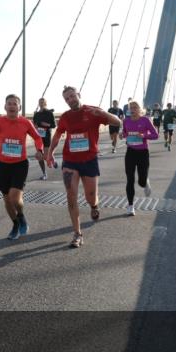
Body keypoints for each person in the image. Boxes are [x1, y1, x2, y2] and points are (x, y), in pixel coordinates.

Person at [44, 86, 122, 248]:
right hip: (70, 161)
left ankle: (94, 206)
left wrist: (103, 114)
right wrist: (50, 152)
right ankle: (77, 233)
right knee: (71, 196)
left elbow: (118, 122)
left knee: (91, 196)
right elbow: (58, 135)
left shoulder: (93, 112)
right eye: (67, 98)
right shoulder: (65, 117)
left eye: (72, 96)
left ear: (78, 95)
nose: (70, 100)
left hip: (89, 160)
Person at [0, 95, 44, 240]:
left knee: (14, 197)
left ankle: (21, 216)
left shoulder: (26, 122)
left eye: (15, 104)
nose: (12, 106)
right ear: (5, 107)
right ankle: (15, 224)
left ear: (19, 107)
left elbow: (38, 137)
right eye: (9, 104)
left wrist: (39, 150)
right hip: (3, 165)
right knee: (7, 199)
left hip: (20, 164)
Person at [121, 101, 158, 215]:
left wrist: (144, 136)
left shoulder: (145, 120)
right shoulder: (126, 121)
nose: (132, 110)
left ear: (139, 109)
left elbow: (156, 135)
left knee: (141, 182)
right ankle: (130, 206)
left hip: (143, 153)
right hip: (130, 152)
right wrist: (122, 135)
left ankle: (145, 182)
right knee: (130, 179)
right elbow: (125, 133)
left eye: (134, 107)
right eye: (130, 108)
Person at [32, 98, 56, 180]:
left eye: (43, 102)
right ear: (38, 104)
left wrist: (45, 124)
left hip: (47, 136)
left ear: (46, 103)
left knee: (46, 156)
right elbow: (34, 124)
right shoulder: (36, 114)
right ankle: (44, 173)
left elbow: (54, 125)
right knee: (39, 156)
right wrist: (35, 126)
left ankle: (52, 159)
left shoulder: (49, 113)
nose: (41, 103)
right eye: (40, 102)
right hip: (38, 137)